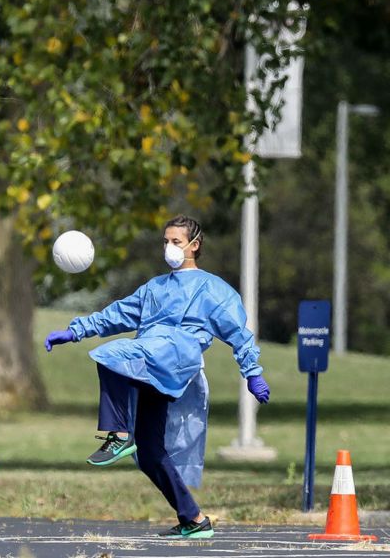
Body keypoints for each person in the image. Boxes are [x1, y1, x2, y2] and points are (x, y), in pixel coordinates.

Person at [42, 215, 270, 539]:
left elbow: (239, 334)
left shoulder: (213, 289)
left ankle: (118, 435)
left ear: (195, 245)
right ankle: (194, 519)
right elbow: (118, 314)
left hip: (177, 355)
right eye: (165, 241)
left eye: (176, 242)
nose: (169, 248)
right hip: (151, 362)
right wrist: (74, 331)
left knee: (110, 355)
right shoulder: (155, 288)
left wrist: (253, 372)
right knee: (149, 451)